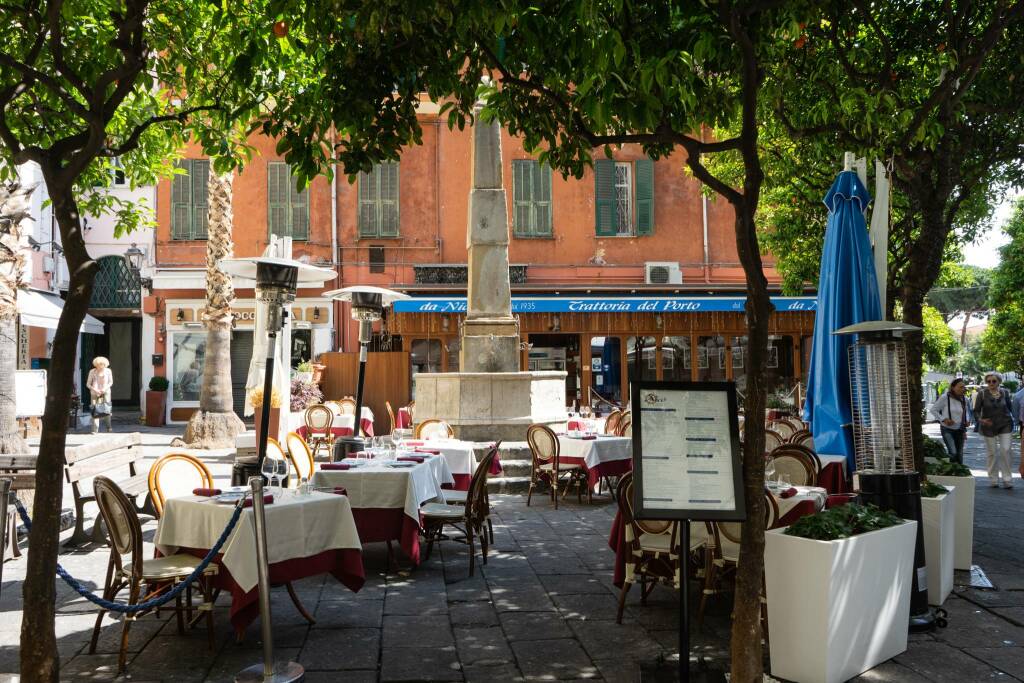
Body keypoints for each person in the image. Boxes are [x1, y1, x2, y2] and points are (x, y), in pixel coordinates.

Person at [973, 371, 1014, 488]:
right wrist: (981, 420)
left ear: (999, 382)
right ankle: (993, 479)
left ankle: (1007, 479)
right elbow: (976, 411)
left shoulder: (1005, 393)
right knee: (992, 453)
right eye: (988, 381)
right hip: (988, 426)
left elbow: (1010, 409)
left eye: (994, 381)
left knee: (1005, 450)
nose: (991, 383)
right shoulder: (982, 394)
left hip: (1005, 424)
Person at [929, 378, 971, 464]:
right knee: (953, 452)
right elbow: (933, 410)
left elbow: (966, 412)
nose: (963, 389)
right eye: (960, 387)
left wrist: (967, 420)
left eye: (964, 387)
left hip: (960, 429)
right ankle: (952, 470)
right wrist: (943, 419)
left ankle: (959, 473)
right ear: (953, 387)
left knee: (959, 453)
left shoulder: (965, 399)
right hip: (947, 429)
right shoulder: (945, 397)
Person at [86, 356, 113, 434]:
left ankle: (109, 427)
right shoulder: (92, 371)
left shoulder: (108, 371)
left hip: (106, 392)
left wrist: (104, 389)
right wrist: (95, 390)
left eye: (102, 365)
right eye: (99, 365)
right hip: (95, 392)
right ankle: (94, 429)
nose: (101, 367)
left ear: (105, 365)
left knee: (107, 410)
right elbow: (88, 384)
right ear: (96, 365)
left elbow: (111, 382)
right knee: (95, 410)